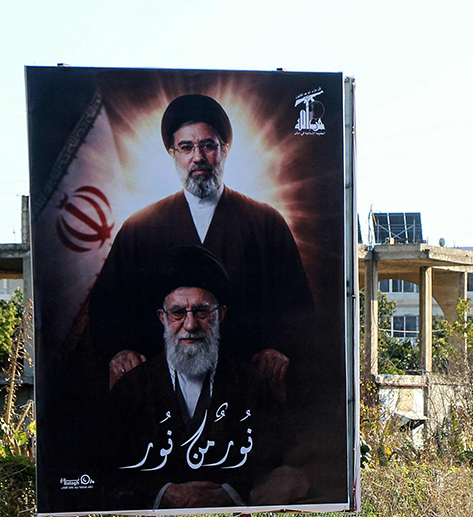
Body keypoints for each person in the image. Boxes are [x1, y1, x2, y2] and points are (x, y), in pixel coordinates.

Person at [88, 93, 315, 392]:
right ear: (172, 153)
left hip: (245, 390)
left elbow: (297, 305)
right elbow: (107, 307)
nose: (198, 157)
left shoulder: (265, 224)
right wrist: (120, 351)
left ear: (225, 149)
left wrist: (279, 349)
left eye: (208, 145)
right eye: (186, 147)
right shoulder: (140, 229)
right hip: (162, 395)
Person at [107, 245, 308, 510]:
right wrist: (163, 493)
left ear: (220, 315)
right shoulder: (132, 388)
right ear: (162, 318)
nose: (190, 325)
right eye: (178, 312)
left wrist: (231, 495)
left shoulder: (253, 386)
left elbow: (280, 466)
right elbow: (107, 470)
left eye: (202, 312)